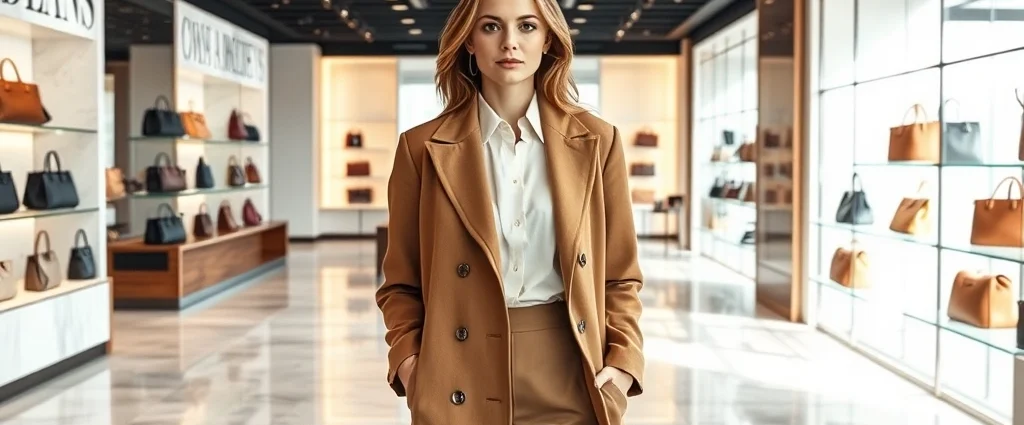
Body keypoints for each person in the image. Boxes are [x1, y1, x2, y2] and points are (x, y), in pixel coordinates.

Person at [375, 0, 644, 423]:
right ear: (468, 40)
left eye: (527, 26)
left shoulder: (598, 141)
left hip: (571, 372)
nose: (510, 43)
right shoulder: (420, 149)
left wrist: (624, 362)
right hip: (457, 375)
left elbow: (621, 273)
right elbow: (401, 284)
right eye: (490, 27)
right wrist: (412, 366)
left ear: (548, 39)